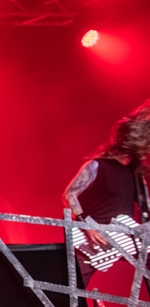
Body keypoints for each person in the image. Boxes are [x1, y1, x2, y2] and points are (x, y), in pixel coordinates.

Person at [63, 100, 150, 284]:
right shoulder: (97, 165)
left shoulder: (137, 173)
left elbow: (146, 208)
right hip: (92, 239)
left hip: (123, 236)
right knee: (73, 285)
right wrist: (88, 226)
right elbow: (69, 194)